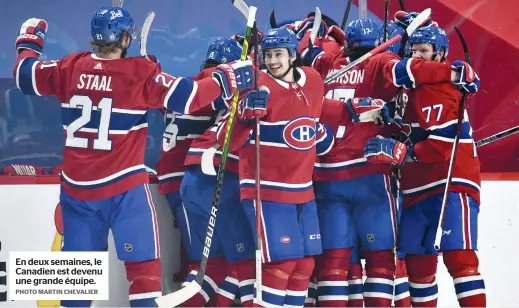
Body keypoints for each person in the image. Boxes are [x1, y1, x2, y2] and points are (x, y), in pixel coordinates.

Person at [13, 7, 253, 307]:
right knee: (144, 279)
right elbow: (191, 97)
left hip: (77, 193)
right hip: (124, 192)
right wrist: (227, 77)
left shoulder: (69, 67)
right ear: (125, 37)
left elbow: (24, 76)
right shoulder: (139, 73)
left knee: (76, 289)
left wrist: (29, 41)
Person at [215, 26, 387, 308]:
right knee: (281, 264)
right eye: (268, 55)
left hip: (302, 190)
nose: (272, 61)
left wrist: (352, 109)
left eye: (278, 54)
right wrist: (244, 116)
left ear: (293, 55)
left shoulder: (312, 79)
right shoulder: (254, 86)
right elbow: (224, 140)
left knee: (305, 265)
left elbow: (318, 108)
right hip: (266, 190)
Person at [363, 25, 485, 307]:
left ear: (439, 54)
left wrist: (403, 153)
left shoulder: (441, 87)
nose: (417, 55)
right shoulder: (403, 80)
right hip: (415, 186)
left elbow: (442, 143)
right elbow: (400, 112)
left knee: (460, 258)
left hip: (450, 182)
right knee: (418, 266)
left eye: (424, 51)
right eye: (413, 50)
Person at [303, 18, 405, 307]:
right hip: (369, 173)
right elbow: (405, 74)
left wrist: (317, 35)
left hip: (327, 174)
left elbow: (307, 56)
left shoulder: (324, 64)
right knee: (381, 259)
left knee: (334, 261)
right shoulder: (382, 59)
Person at [169, 37, 255, 307]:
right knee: (247, 264)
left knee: (213, 266)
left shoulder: (195, 82)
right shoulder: (231, 86)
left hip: (189, 181)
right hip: (218, 178)